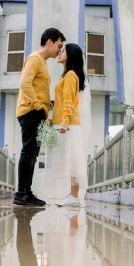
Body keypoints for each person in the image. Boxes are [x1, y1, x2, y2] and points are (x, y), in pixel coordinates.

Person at [14, 28, 66, 207]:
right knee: (28, 151)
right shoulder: (34, 59)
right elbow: (24, 83)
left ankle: (27, 193)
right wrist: (37, 106)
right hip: (30, 112)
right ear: (49, 42)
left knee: (33, 153)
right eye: (59, 45)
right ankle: (21, 193)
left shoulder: (42, 62)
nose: (60, 50)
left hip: (37, 114)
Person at [45, 43, 91, 206]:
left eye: (62, 50)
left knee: (73, 161)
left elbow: (69, 102)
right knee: (71, 160)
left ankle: (74, 197)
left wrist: (64, 122)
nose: (59, 53)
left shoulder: (71, 76)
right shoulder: (67, 76)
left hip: (70, 124)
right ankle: (73, 196)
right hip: (67, 123)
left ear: (70, 55)